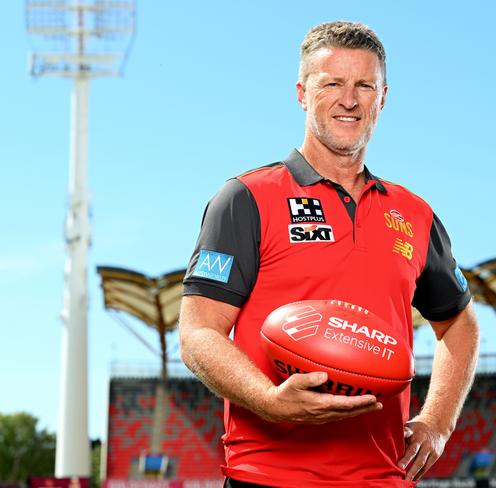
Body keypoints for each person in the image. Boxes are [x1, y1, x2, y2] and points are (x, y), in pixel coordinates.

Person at [179, 21, 479, 488]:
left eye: (365, 85)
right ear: (302, 92)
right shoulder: (245, 198)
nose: (349, 99)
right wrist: (268, 398)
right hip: (267, 478)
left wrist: (438, 422)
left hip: (383, 477)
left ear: (384, 97)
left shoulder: (414, 213)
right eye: (332, 83)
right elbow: (199, 332)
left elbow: (459, 323)